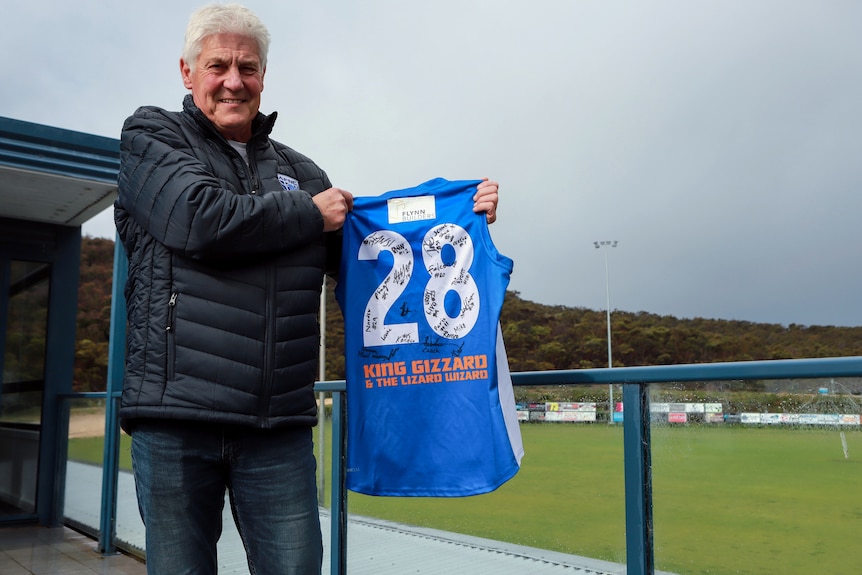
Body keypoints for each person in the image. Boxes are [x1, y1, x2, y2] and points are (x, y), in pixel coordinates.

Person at [114, 4, 499, 574]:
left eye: (247, 67)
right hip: (176, 419)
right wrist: (307, 215)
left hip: (278, 427)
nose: (233, 81)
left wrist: (456, 225)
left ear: (263, 77)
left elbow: (370, 264)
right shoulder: (150, 136)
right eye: (217, 65)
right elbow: (197, 219)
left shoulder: (303, 172)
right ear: (187, 71)